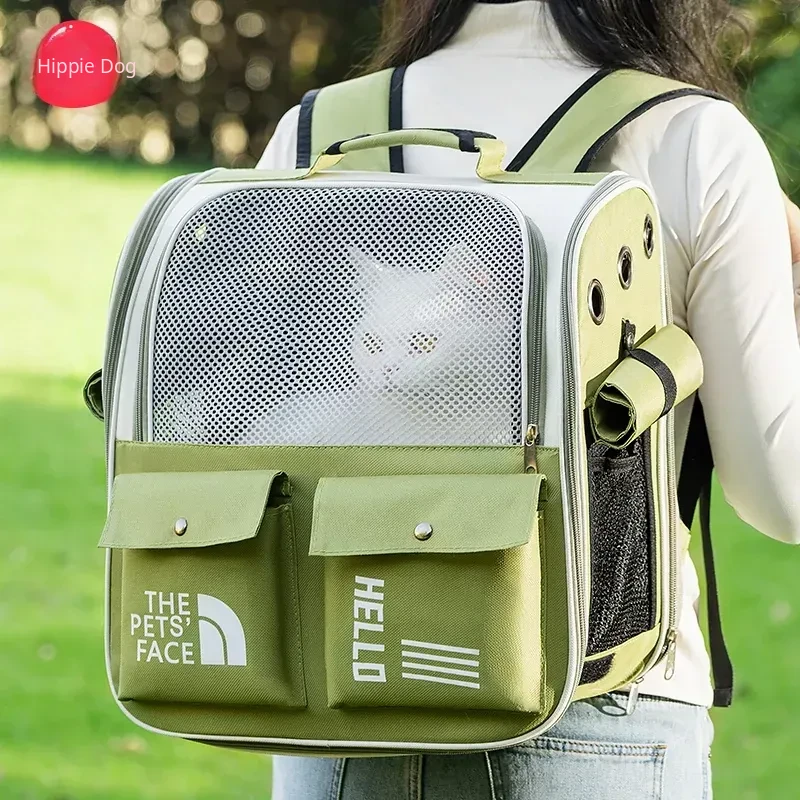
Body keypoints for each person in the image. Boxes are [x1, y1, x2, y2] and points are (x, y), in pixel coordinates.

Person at [259, 1, 800, 797]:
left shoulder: (314, 136)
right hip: (595, 709)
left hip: (343, 693)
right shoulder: (693, 139)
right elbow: (782, 499)